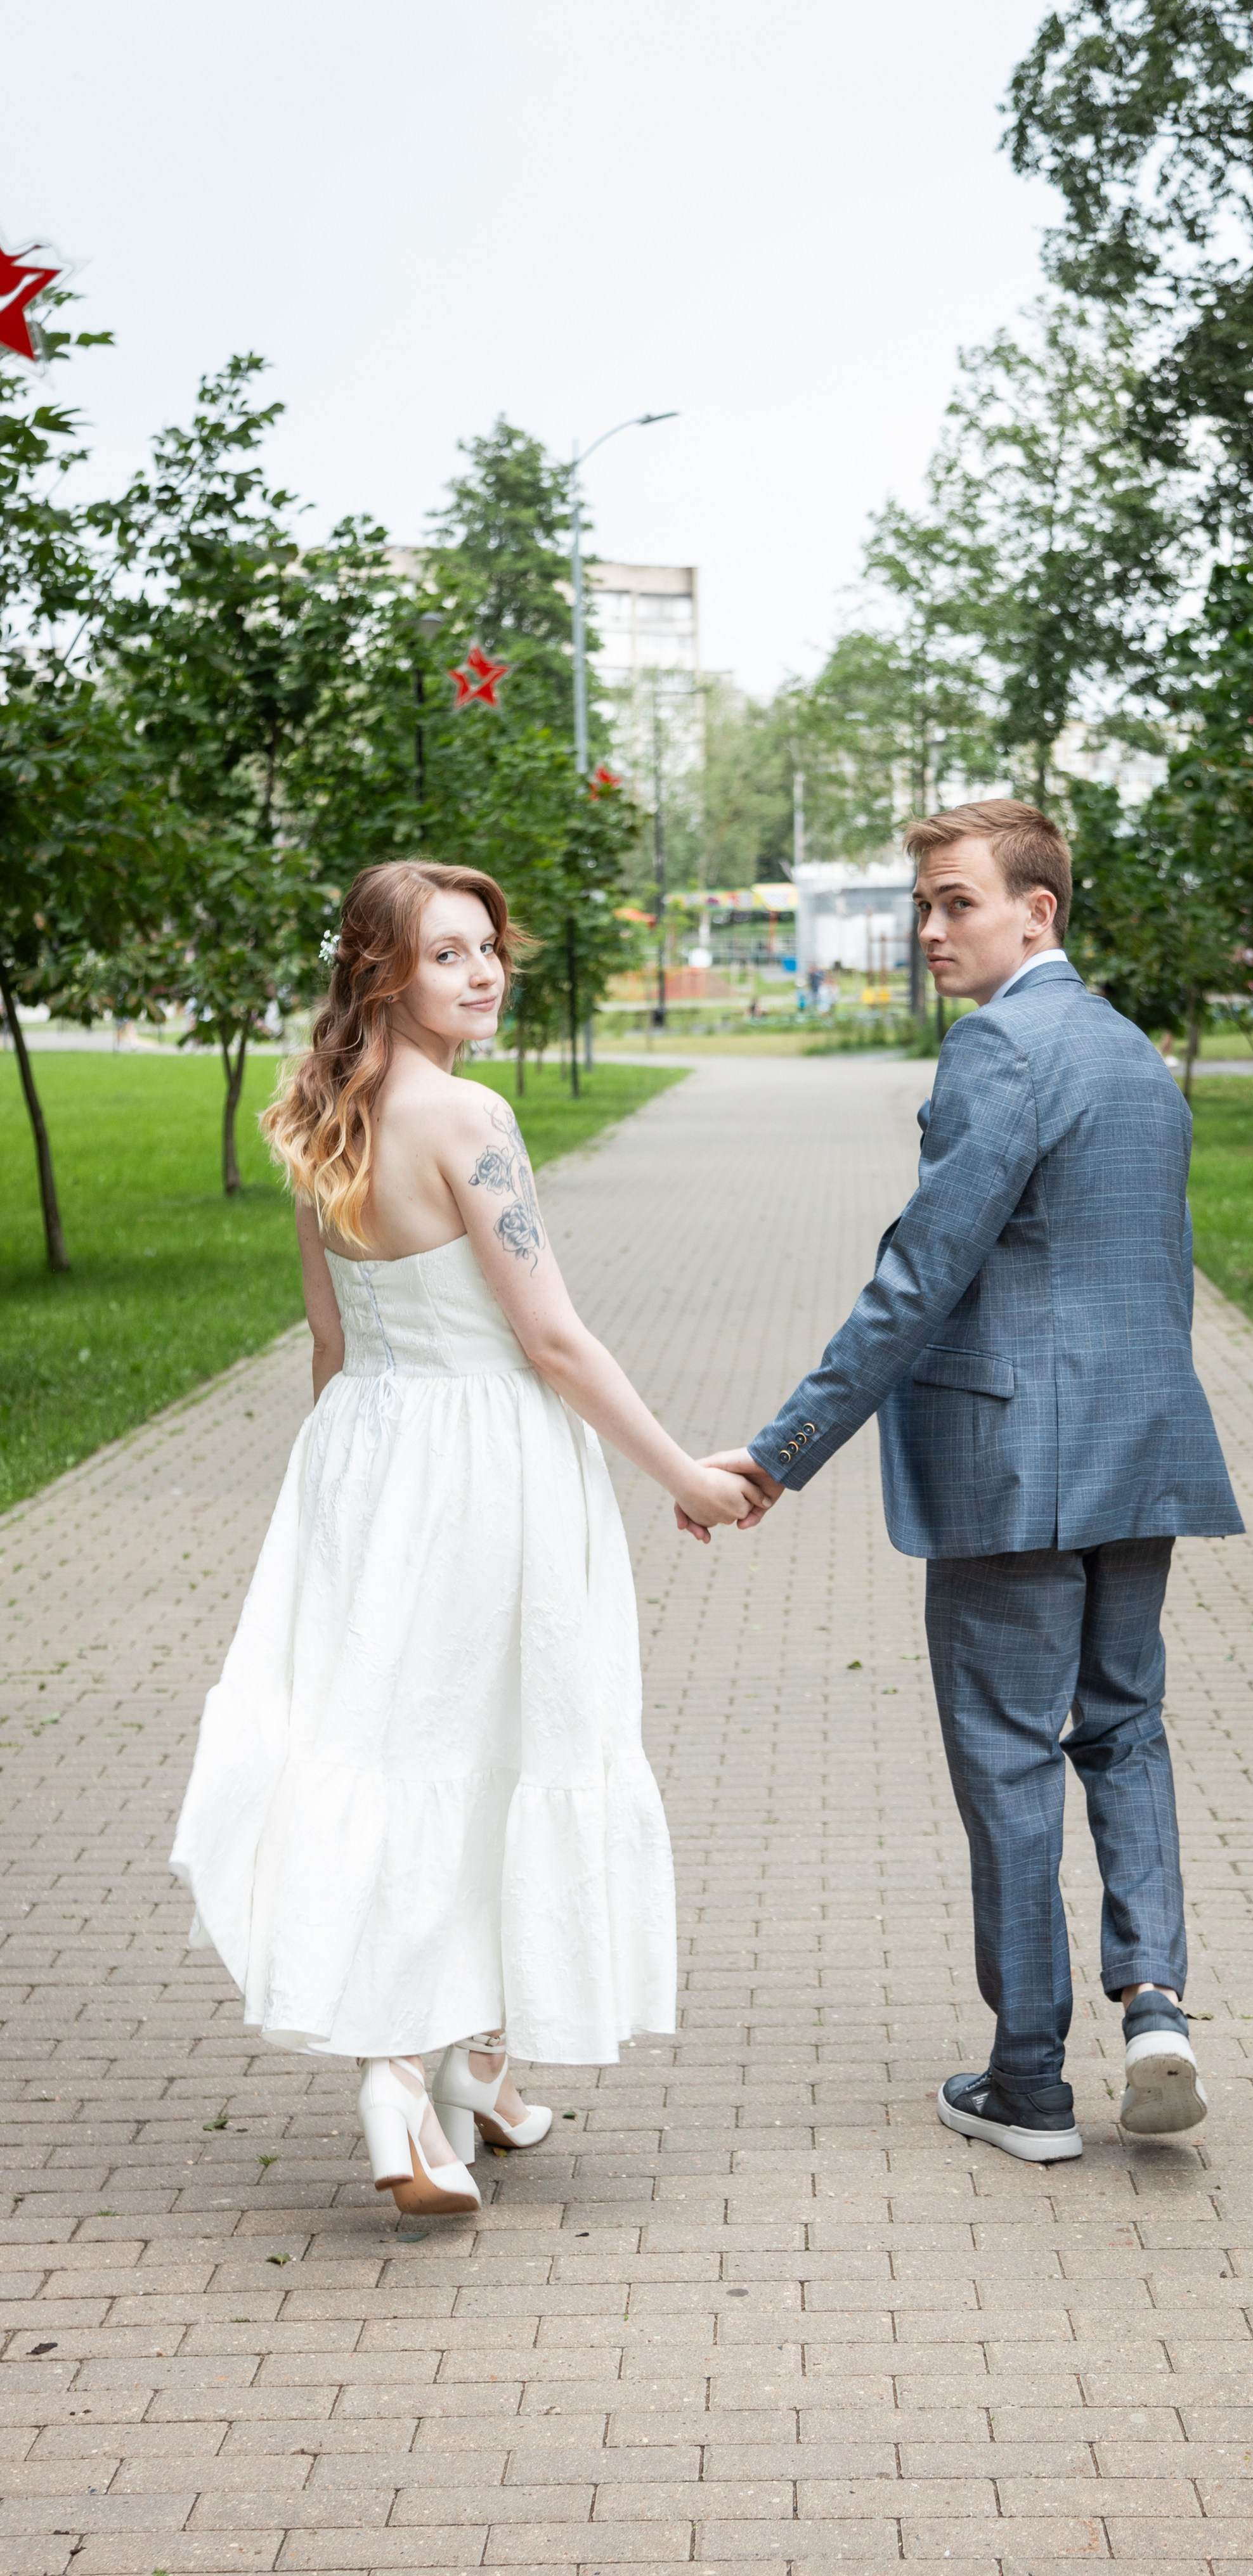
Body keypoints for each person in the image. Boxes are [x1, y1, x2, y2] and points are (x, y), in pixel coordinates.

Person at [170, 860, 757, 2217]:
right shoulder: (465, 1114)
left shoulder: (318, 1115)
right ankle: (417, 2071)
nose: (485, 973)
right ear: (383, 972)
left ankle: (442, 2080)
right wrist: (681, 1470)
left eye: (490, 948)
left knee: (398, 1747)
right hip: (489, 1461)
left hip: (369, 1458)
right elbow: (547, 1335)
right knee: (499, 1746)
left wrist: (327, 1518)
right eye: (449, 955)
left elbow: (331, 1341)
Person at [687, 801, 1243, 2163]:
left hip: (1012, 1463)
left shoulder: (998, 1046)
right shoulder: (1126, 1050)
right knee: (1121, 1726)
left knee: (1006, 1757)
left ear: (1034, 911)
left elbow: (917, 1282)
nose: (928, 930)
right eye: (922, 906)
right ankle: (1155, 2001)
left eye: (952, 903)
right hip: (1143, 1447)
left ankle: (1029, 2081)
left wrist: (775, 1453)